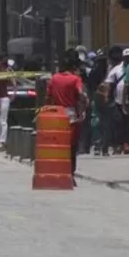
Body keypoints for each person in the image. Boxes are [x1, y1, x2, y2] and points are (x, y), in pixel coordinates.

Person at [46, 51, 88, 183]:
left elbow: (48, 97)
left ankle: (57, 171)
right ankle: (70, 173)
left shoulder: (54, 78)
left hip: (56, 113)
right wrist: (83, 108)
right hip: (71, 114)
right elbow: (81, 95)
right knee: (72, 145)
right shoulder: (76, 79)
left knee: (57, 144)